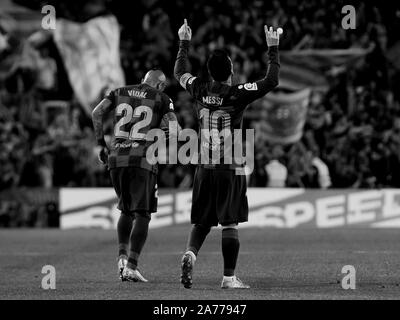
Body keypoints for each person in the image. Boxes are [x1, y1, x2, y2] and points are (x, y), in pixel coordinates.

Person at [174, 19, 281, 289]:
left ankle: (190, 254)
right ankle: (229, 278)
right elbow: (271, 80)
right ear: (230, 70)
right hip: (229, 165)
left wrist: (184, 43)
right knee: (229, 222)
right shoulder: (237, 93)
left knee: (201, 221)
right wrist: (273, 49)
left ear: (210, 72)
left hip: (203, 166)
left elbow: (179, 72)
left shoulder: (198, 88)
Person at [91, 69, 179, 282]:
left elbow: (96, 113)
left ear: (143, 80)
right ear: (159, 86)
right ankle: (131, 265)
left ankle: (121, 257)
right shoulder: (162, 98)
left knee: (125, 209)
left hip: (116, 159)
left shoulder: (118, 91)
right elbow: (175, 130)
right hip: (142, 160)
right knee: (143, 213)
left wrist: (100, 143)